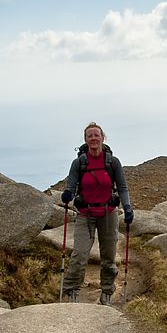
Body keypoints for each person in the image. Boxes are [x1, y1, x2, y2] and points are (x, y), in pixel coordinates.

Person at [60, 122, 134, 305]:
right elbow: (71, 186)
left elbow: (123, 188)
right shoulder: (79, 163)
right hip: (85, 213)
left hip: (108, 213)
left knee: (108, 257)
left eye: (96, 135)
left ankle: (107, 292)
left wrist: (127, 207)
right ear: (85, 140)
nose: (93, 138)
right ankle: (71, 290)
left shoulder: (112, 162)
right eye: (89, 136)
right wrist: (67, 194)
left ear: (102, 138)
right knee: (79, 254)